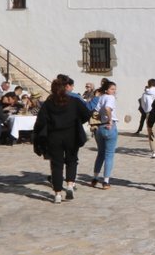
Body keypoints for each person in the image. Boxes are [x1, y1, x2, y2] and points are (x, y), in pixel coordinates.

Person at [32, 74, 91, 203]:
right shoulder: (74, 102)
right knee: (71, 160)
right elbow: (86, 114)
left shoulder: (48, 104)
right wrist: (76, 120)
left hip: (54, 137)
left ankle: (57, 194)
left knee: (56, 164)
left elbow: (41, 121)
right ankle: (70, 185)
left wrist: (37, 136)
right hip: (71, 135)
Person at [86, 80, 119, 189]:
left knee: (100, 153)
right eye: (112, 89)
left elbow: (96, 110)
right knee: (109, 154)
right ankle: (106, 181)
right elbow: (107, 108)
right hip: (109, 126)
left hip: (99, 127)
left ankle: (95, 178)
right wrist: (110, 120)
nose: (114, 91)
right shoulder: (110, 98)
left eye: (114, 89)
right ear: (106, 90)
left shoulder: (101, 98)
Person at [138, 79, 155, 153]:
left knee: (150, 131)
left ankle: (153, 150)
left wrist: (147, 111)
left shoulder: (145, 94)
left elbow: (143, 105)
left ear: (148, 84)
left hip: (149, 112)